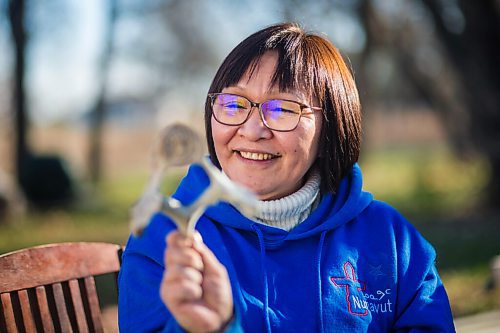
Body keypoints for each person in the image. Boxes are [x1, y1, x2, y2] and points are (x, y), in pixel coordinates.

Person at [118, 22, 455, 332]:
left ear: (330, 130)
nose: (252, 131)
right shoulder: (166, 240)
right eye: (235, 104)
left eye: (282, 109)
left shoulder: (393, 242)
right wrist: (217, 327)